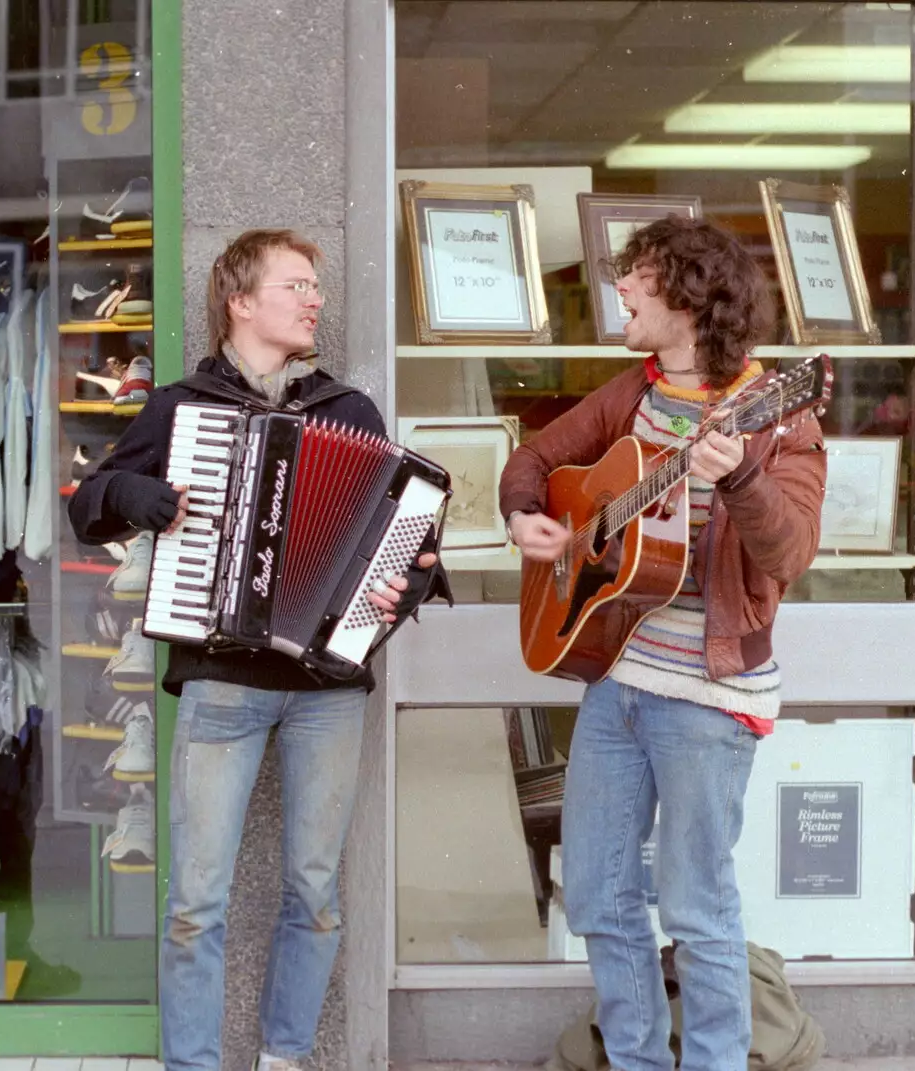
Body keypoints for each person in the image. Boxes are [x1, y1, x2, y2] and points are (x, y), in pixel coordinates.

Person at [68, 228, 451, 1071]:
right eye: (296, 284)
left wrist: (406, 583)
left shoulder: (347, 413)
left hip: (327, 686)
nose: (315, 298)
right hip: (221, 683)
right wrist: (140, 491)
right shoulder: (181, 407)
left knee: (315, 893)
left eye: (316, 286)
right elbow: (89, 504)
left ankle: (285, 1057)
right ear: (241, 302)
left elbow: (412, 547)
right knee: (195, 902)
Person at [499, 216, 825, 1071]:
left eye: (637, 277)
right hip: (619, 681)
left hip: (709, 699)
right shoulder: (630, 395)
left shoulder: (776, 419)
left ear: (687, 294)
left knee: (695, 906)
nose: (623, 292)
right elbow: (535, 455)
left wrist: (741, 475)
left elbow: (790, 552)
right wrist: (528, 517)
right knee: (601, 901)